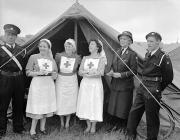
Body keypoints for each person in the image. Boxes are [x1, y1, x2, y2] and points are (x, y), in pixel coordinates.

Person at [125, 32, 174, 140]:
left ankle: (151, 138)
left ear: (158, 42)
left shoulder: (163, 57)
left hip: (153, 88)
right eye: (148, 41)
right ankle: (130, 136)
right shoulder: (148, 54)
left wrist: (158, 88)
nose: (149, 43)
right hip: (143, 86)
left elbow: (168, 77)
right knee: (134, 112)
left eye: (151, 41)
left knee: (151, 118)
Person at [26, 39, 57, 140]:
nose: (42, 48)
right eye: (41, 46)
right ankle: (32, 130)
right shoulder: (33, 57)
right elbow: (28, 72)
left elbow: (55, 73)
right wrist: (38, 73)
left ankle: (42, 128)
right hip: (38, 84)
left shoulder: (51, 60)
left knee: (45, 106)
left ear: (49, 48)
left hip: (48, 85)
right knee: (37, 106)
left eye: (45, 46)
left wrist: (54, 75)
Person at [106, 31, 137, 132]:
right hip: (115, 84)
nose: (122, 41)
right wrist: (111, 72)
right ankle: (114, 125)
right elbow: (112, 66)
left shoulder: (132, 54)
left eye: (125, 39)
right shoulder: (117, 52)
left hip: (125, 85)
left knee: (123, 107)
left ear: (129, 42)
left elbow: (134, 71)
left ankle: (123, 127)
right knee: (114, 105)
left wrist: (121, 75)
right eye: (121, 39)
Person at [0, 24, 27, 138]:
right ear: (4, 35)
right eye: (8, 34)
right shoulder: (0, 49)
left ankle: (18, 128)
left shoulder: (22, 50)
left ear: (16, 37)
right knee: (2, 105)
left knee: (19, 104)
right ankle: (1, 130)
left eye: (13, 35)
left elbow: (24, 67)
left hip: (19, 79)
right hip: (4, 79)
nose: (10, 37)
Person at [76, 39, 106, 134]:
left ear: (97, 47)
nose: (90, 46)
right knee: (86, 103)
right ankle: (88, 125)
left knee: (94, 103)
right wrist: (87, 72)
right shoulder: (85, 58)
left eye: (92, 44)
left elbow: (101, 72)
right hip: (85, 84)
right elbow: (80, 71)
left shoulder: (101, 59)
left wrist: (91, 74)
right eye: (89, 44)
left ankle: (93, 126)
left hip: (95, 84)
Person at [55, 39, 81, 130]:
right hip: (61, 79)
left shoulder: (77, 57)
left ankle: (67, 123)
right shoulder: (59, 56)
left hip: (72, 80)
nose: (67, 47)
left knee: (70, 100)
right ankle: (61, 122)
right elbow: (55, 67)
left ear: (73, 47)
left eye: (69, 46)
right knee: (61, 100)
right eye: (66, 46)